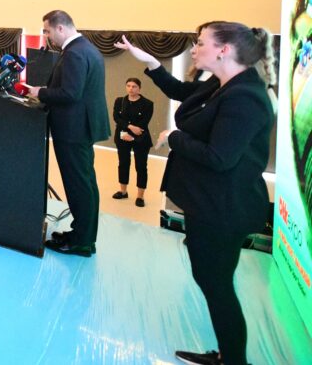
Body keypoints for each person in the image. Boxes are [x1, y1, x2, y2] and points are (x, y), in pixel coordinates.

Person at [116, 24, 275, 365]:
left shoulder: (245, 97)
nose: (194, 49)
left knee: (217, 287)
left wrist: (173, 138)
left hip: (224, 208)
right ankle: (229, 355)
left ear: (224, 50)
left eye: (201, 43)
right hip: (209, 203)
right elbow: (180, 90)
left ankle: (233, 360)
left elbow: (220, 157)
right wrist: (150, 61)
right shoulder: (220, 85)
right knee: (212, 281)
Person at [23, 10, 109, 258]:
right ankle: (82, 235)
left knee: (79, 186)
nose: (47, 37)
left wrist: (39, 92)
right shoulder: (86, 49)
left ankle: (81, 242)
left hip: (73, 130)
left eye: (48, 31)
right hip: (81, 127)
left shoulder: (74, 53)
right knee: (86, 184)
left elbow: (70, 93)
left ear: (60, 28)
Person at [111, 77, 155, 206]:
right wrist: (129, 128)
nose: (131, 89)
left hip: (140, 139)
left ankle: (140, 196)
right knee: (123, 163)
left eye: (134, 86)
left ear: (139, 88)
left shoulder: (148, 104)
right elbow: (116, 117)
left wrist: (133, 136)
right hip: (123, 137)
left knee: (141, 166)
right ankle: (123, 191)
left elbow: (144, 122)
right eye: (128, 86)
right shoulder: (119, 101)